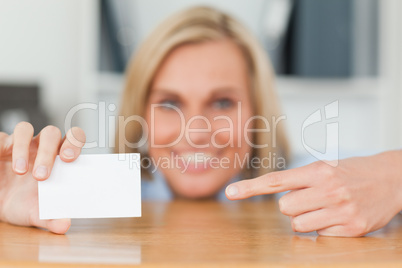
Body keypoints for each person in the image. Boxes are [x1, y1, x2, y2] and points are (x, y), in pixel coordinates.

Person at [0, 6, 400, 237]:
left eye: (223, 102)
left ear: (258, 111)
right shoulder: (93, 191)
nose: (197, 130)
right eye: (170, 103)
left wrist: (392, 176)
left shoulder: (319, 178)